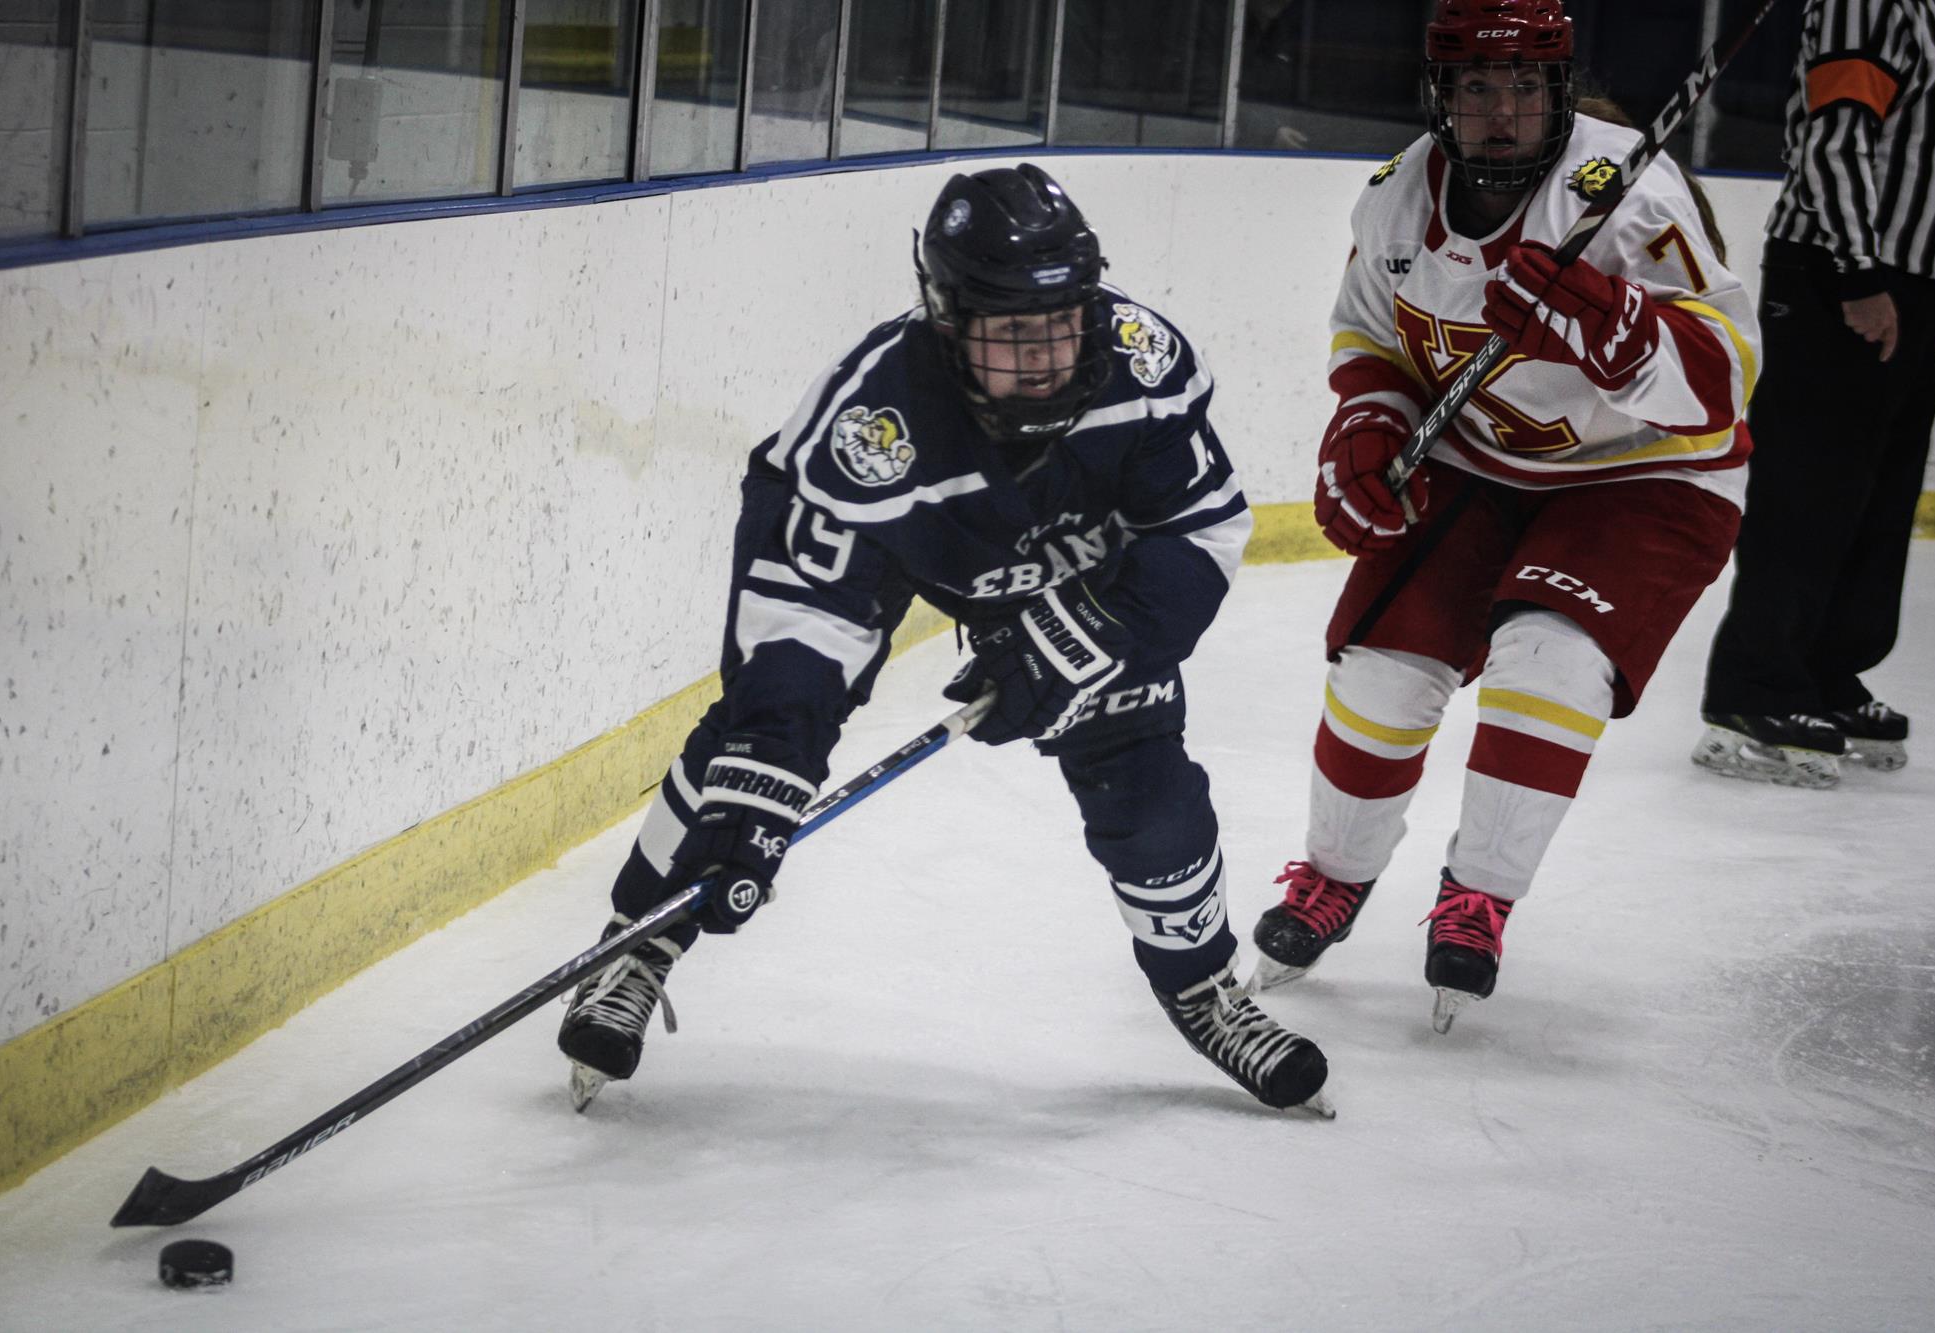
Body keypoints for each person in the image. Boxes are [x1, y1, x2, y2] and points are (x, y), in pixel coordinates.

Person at [556, 164, 1331, 1115]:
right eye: (1011, 331)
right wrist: (761, 793)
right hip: (912, 544)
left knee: (1141, 761)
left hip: (1068, 560)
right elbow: (804, 636)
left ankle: (1206, 988)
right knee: (750, 751)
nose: (1045, 353)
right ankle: (636, 942)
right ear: (947, 320)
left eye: (1059, 321)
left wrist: (1081, 640)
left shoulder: (1140, 363)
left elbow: (1200, 530)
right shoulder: (869, 430)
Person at [1249, 0, 1759, 1032]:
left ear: (1556, 92)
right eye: (1476, 88)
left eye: (1523, 87)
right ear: (1440, 96)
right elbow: (1369, 339)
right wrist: (1366, 425)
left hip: (1646, 471)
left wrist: (1619, 329)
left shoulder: (1624, 196)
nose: (1500, 111)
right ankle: (1334, 875)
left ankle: (1476, 895)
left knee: (1550, 659)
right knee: (1379, 666)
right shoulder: (1396, 201)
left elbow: (1729, 376)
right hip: (1479, 459)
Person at [1696, 0, 1935, 787]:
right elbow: (1837, 134)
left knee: (1877, 501)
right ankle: (1757, 683)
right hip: (1843, 276)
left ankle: (1830, 673)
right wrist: (1856, 273)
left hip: (1918, 282)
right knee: (1812, 492)